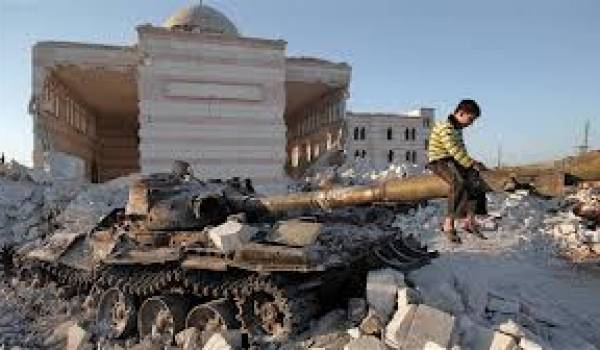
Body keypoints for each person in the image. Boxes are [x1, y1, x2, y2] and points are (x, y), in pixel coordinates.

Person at [427, 99, 488, 243]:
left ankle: (470, 220)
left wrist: (472, 165)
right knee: (458, 182)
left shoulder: (457, 129)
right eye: (470, 119)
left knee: (476, 179)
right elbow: (453, 149)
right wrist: (470, 163)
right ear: (461, 113)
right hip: (439, 160)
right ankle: (448, 224)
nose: (471, 123)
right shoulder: (445, 127)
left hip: (453, 160)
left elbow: (461, 151)